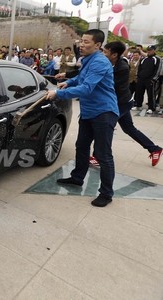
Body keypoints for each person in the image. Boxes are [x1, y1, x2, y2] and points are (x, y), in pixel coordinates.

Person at [46, 29, 119, 207]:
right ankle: (77, 178)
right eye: (81, 41)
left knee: (103, 154)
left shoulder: (100, 62)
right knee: (82, 145)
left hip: (104, 112)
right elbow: (81, 77)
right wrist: (68, 82)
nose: (81, 45)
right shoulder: (88, 59)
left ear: (97, 45)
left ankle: (106, 193)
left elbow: (86, 88)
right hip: (88, 112)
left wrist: (57, 93)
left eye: (86, 42)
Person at [90, 41, 162, 167]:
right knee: (129, 129)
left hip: (120, 103)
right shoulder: (111, 63)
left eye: (105, 52)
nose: (103, 54)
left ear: (114, 55)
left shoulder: (122, 67)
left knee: (105, 128)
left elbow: (107, 84)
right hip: (120, 102)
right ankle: (154, 149)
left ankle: (98, 157)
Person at [134, 45, 160, 113]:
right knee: (139, 93)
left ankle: (151, 108)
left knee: (151, 94)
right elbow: (139, 69)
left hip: (150, 79)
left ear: (154, 50)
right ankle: (138, 105)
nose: (149, 51)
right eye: (148, 50)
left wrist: (154, 79)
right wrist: (138, 77)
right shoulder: (143, 59)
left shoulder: (157, 59)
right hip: (141, 79)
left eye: (150, 50)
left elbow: (157, 70)